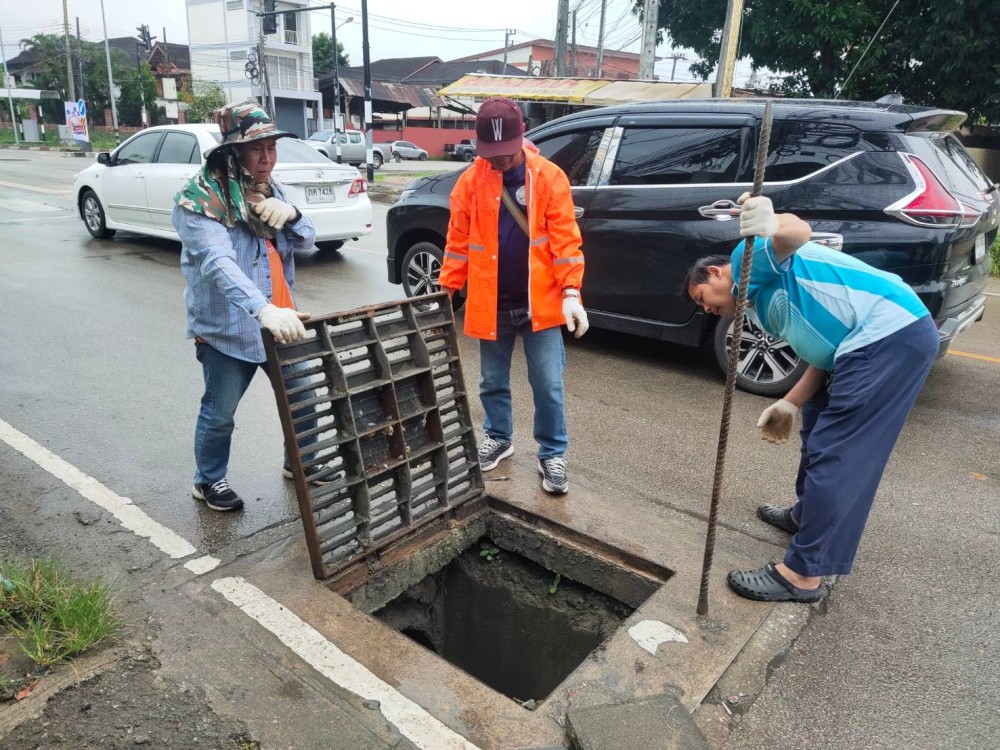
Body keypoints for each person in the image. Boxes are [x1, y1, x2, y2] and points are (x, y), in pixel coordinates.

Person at [685, 193, 938, 602]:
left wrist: (770, 221)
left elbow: (798, 232)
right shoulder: (758, 303)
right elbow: (823, 353)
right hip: (861, 346)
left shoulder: (745, 263)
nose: (707, 309)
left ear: (715, 273)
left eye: (703, 297)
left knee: (838, 454)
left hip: (888, 337)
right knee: (816, 433)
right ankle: (806, 517)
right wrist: (791, 402)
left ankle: (803, 575)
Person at [438, 96, 589, 495]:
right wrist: (446, 290)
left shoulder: (549, 177)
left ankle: (552, 453)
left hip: (541, 301)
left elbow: (566, 241)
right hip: (491, 301)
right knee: (491, 380)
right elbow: (457, 243)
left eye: (505, 152)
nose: (499, 160)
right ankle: (498, 437)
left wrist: (571, 292)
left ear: (522, 137)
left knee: (548, 384)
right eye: (491, 153)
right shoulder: (470, 182)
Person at [173, 100, 318, 512]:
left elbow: (308, 239)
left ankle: (300, 462)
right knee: (220, 413)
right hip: (228, 327)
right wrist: (262, 309)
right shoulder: (200, 201)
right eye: (257, 149)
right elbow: (218, 263)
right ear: (233, 151)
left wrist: (293, 215)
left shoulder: (270, 188)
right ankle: (208, 480)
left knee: (304, 398)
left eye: (272, 148)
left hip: (283, 320)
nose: (267, 158)